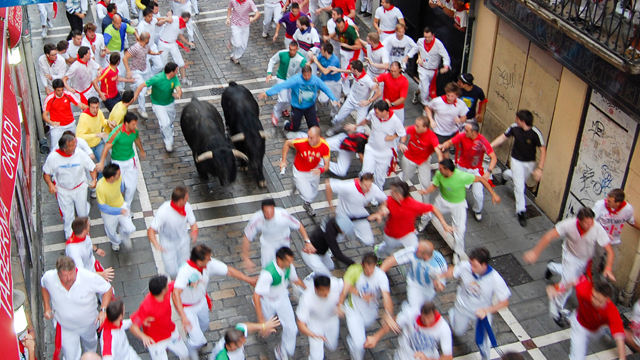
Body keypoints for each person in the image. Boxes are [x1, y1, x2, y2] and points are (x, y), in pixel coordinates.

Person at [523, 208, 615, 326]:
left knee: (573, 279)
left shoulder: (597, 228)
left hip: (585, 259)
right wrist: (535, 252)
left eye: (591, 221)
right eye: (587, 222)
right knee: (567, 285)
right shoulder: (568, 224)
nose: (590, 225)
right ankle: (555, 311)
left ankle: (552, 267)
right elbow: (549, 236)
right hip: (570, 256)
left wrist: (608, 268)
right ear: (579, 221)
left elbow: (610, 251)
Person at [173, 244, 257, 360]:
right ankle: (191, 351)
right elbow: (175, 294)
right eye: (207, 258)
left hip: (201, 302)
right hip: (187, 308)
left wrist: (249, 280)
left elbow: (229, 271)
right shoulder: (185, 271)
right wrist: (183, 316)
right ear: (199, 261)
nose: (210, 260)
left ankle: (197, 337)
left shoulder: (209, 264)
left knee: (205, 325)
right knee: (196, 339)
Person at [420, 159, 500, 262]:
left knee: (460, 230)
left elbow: (481, 179)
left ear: (447, 170)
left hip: (458, 205)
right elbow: (434, 185)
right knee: (428, 212)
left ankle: (457, 253)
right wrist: (426, 191)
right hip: (442, 200)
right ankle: (422, 224)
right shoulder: (440, 174)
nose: (438, 170)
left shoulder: (462, 176)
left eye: (440, 168)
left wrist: (493, 194)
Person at [442, 247, 511, 360]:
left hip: (482, 312)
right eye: (470, 263)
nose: (471, 267)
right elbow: (453, 272)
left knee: (484, 341)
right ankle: (452, 314)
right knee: (458, 332)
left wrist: (487, 311)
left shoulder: (495, 278)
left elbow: (504, 302)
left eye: (474, 265)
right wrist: (440, 276)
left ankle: (485, 357)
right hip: (462, 307)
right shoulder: (465, 266)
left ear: (484, 265)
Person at [41, 256, 113, 360]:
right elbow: (43, 285)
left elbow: (107, 289)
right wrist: (47, 307)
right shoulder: (50, 278)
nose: (69, 278)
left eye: (71, 274)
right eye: (65, 276)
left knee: (90, 345)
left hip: (88, 324)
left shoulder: (88, 277)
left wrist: (103, 310)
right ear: (58, 274)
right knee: (70, 356)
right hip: (65, 327)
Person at [490, 110, 546, 226]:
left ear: (523, 121)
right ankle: (521, 211)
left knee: (518, 180)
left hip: (529, 163)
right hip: (516, 160)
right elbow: (502, 138)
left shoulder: (535, 133)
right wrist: (489, 147)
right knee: (519, 187)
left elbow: (543, 150)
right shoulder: (514, 127)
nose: (515, 120)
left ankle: (506, 174)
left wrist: (540, 168)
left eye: (517, 119)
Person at [370, 179, 452, 257]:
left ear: (398, 194)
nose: (390, 192)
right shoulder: (390, 200)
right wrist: (382, 209)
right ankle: (378, 252)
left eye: (392, 191)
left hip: (408, 234)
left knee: (415, 252)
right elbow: (384, 203)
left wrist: (444, 224)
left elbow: (433, 208)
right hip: (391, 235)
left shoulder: (413, 205)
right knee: (386, 250)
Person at [253, 246, 307, 360]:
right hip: (267, 301)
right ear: (279, 259)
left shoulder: (289, 267)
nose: (291, 263)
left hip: (282, 299)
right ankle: (260, 327)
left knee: (292, 328)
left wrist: (307, 288)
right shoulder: (267, 274)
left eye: (291, 260)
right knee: (264, 330)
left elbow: (295, 279)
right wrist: (261, 319)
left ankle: (282, 350)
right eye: (288, 260)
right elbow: (256, 296)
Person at [338, 253, 395, 360]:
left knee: (359, 334)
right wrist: (340, 304)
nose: (369, 272)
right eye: (367, 269)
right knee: (359, 345)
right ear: (362, 265)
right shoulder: (354, 270)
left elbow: (386, 297)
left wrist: (388, 314)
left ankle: (353, 339)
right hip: (353, 310)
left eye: (372, 269)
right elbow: (345, 288)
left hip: (370, 312)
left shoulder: (380, 275)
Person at [439, 121, 497, 221]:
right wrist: (445, 145)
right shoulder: (462, 136)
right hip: (462, 168)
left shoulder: (483, 142)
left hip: (476, 170)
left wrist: (488, 172)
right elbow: (451, 141)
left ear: (474, 133)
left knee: (478, 194)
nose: (464, 132)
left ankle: (477, 210)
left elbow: (494, 158)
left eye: (467, 130)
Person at [43, 133, 97, 239]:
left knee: (82, 213)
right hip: (63, 190)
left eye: (74, 145)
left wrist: (94, 180)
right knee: (68, 216)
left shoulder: (80, 154)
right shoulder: (53, 157)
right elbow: (46, 173)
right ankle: (69, 236)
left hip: (80, 188)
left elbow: (92, 168)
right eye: (72, 146)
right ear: (64, 148)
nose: (74, 147)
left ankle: (85, 232)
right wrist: (50, 184)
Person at [347, 100, 406, 191]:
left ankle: (376, 194)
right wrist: (355, 126)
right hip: (371, 149)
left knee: (380, 177)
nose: (375, 114)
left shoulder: (395, 121)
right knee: (366, 172)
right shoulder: (373, 113)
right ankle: (364, 191)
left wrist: (395, 138)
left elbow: (403, 134)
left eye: (377, 112)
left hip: (385, 153)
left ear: (385, 112)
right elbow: (366, 120)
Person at [259, 66, 339, 133]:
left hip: (310, 107)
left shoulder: (316, 80)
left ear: (311, 73)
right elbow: (282, 86)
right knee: (294, 128)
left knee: (314, 127)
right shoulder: (296, 80)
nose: (307, 77)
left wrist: (333, 99)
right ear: (302, 74)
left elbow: (325, 88)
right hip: (297, 108)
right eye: (305, 75)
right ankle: (287, 124)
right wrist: (267, 92)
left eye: (309, 75)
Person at [364, 302, 453, 360]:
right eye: (424, 319)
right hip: (401, 356)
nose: (427, 323)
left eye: (429, 319)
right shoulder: (412, 313)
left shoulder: (444, 328)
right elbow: (393, 323)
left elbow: (448, 357)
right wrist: (376, 337)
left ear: (434, 314)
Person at [129, 275, 190, 360]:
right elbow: (133, 327)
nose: (167, 285)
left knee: (185, 354)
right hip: (155, 341)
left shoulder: (165, 292)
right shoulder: (146, 307)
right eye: (166, 285)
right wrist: (144, 337)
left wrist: (190, 281)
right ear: (162, 290)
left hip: (170, 332)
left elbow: (177, 283)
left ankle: (167, 349)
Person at [566, 276, 626, 360]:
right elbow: (576, 279)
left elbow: (619, 336)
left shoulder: (612, 312)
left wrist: (622, 358)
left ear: (607, 300)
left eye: (599, 301)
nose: (594, 301)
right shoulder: (584, 290)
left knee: (599, 332)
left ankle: (570, 317)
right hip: (580, 325)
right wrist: (558, 288)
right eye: (593, 296)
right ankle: (572, 318)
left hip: (596, 329)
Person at [380, 240, 448, 312]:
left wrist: (438, 287)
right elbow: (391, 260)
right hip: (414, 283)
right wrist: (378, 275)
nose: (415, 251)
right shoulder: (413, 251)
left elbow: (441, 286)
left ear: (425, 256)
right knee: (414, 310)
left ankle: (406, 306)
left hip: (429, 290)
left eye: (418, 251)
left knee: (422, 308)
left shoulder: (440, 265)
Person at [398, 116, 443, 227]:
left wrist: (441, 164)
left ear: (425, 127)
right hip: (409, 158)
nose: (415, 127)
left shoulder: (432, 137)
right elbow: (404, 130)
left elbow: (438, 151)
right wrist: (403, 142)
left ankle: (426, 214)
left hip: (423, 161)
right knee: (405, 178)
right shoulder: (414, 128)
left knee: (426, 186)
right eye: (415, 124)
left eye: (418, 126)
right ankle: (401, 186)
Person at [242, 198, 309, 270]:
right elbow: (247, 237)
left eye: (272, 212)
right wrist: (246, 258)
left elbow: (299, 225)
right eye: (267, 212)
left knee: (286, 267)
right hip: (268, 245)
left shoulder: (283, 215)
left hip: (283, 243)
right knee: (267, 269)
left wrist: (307, 241)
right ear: (262, 211)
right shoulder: (256, 219)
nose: (270, 215)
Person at [147, 186, 198, 278]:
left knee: (184, 266)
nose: (188, 200)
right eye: (186, 198)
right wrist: (156, 244)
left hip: (183, 241)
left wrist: (194, 231)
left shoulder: (187, 207)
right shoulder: (164, 211)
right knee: (171, 271)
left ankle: (181, 284)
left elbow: (193, 223)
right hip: (167, 244)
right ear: (180, 201)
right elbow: (151, 230)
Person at [97, 113, 146, 209]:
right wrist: (102, 161)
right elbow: (107, 146)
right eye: (133, 124)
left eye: (136, 124)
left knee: (131, 187)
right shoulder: (117, 133)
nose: (135, 126)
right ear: (126, 123)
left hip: (131, 160)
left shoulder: (134, 131)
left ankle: (127, 208)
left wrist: (141, 150)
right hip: (118, 162)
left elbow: (137, 139)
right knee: (118, 187)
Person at [279, 126, 330, 215]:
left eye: (311, 138)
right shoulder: (301, 142)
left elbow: (327, 166)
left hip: (314, 171)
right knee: (308, 196)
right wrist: (283, 160)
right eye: (308, 136)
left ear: (318, 138)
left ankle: (307, 204)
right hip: (300, 172)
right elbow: (287, 143)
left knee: (314, 193)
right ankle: (299, 185)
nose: (308, 139)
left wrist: (320, 170)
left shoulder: (325, 146)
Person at [325, 173, 387, 244]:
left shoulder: (374, 188)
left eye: (369, 186)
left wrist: (380, 211)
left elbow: (384, 200)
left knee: (368, 241)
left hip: (360, 216)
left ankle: (353, 229)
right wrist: (330, 206)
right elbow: (328, 183)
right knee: (334, 239)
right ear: (360, 183)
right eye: (365, 185)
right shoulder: (348, 186)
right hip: (344, 216)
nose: (368, 188)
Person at [133, 62, 183, 152]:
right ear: (171, 72)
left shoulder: (174, 77)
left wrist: (178, 94)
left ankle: (168, 128)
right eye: (176, 70)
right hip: (158, 104)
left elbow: (178, 88)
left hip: (169, 103)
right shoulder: (157, 78)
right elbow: (142, 85)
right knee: (164, 123)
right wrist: (135, 97)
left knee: (170, 121)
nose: (177, 71)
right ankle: (168, 142)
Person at [296, 275, 345, 360]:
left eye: (328, 289)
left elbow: (347, 285)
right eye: (322, 290)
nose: (326, 293)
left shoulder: (335, 283)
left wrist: (339, 304)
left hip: (331, 320)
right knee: (316, 356)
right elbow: (300, 323)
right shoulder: (307, 298)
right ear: (315, 289)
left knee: (332, 345)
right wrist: (314, 335)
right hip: (315, 324)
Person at [326, 60, 378, 136]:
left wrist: (369, 101)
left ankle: (359, 141)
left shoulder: (367, 80)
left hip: (362, 105)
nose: (350, 70)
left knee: (359, 128)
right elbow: (349, 71)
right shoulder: (356, 73)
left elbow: (378, 92)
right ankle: (336, 128)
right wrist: (338, 70)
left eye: (351, 69)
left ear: (356, 70)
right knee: (337, 118)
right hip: (351, 100)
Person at [264, 41, 307, 126]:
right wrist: (269, 73)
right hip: (281, 78)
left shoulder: (301, 59)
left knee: (290, 99)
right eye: (290, 49)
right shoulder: (282, 53)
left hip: (292, 80)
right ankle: (275, 113)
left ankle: (283, 109)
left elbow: (306, 69)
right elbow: (272, 60)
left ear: (297, 49)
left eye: (293, 50)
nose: (291, 52)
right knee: (283, 98)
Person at [97, 163, 137, 252]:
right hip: (109, 213)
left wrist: (121, 206)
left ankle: (123, 232)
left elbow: (121, 189)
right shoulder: (100, 187)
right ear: (111, 177)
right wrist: (119, 211)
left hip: (121, 206)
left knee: (131, 228)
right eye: (118, 173)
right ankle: (115, 242)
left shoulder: (119, 178)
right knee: (111, 233)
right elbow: (102, 207)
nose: (120, 174)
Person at [593, 189, 640, 263]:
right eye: (607, 199)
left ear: (618, 203)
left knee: (611, 266)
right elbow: (591, 222)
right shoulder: (600, 205)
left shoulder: (628, 209)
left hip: (614, 241)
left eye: (610, 201)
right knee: (594, 265)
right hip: (599, 240)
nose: (606, 202)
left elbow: (631, 221)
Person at [123, 32, 161, 118]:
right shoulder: (135, 48)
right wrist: (128, 70)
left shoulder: (145, 46)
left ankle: (135, 87)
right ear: (146, 39)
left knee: (146, 86)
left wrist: (156, 53)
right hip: (136, 71)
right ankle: (141, 109)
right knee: (142, 90)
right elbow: (125, 57)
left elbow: (148, 51)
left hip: (145, 70)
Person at [43, 80, 89, 150]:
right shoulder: (49, 99)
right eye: (58, 90)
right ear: (54, 89)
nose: (61, 92)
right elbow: (44, 115)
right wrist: (51, 123)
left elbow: (80, 105)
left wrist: (91, 109)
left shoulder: (68, 95)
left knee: (77, 144)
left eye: (62, 90)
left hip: (70, 124)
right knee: (55, 148)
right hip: (57, 127)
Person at [427, 82, 468, 157]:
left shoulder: (461, 104)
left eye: (452, 96)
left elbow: (464, 117)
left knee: (443, 153)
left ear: (457, 95)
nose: (449, 98)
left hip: (453, 132)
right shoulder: (437, 101)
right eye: (448, 95)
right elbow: (428, 108)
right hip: (440, 132)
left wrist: (460, 120)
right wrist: (431, 120)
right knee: (444, 155)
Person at [412, 27, 450, 107]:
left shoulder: (438, 44)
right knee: (425, 88)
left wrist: (446, 66)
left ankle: (417, 92)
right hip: (422, 68)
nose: (427, 39)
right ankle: (425, 106)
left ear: (433, 35)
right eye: (425, 37)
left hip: (433, 70)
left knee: (423, 86)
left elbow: (445, 56)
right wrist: (411, 57)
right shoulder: (420, 41)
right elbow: (417, 49)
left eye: (429, 37)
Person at [210, 319, 281, 360]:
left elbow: (244, 326)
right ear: (232, 345)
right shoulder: (222, 357)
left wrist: (263, 326)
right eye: (241, 341)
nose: (244, 341)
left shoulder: (235, 334)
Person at [104, 14, 139, 90]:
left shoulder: (123, 26)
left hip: (120, 51)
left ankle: (121, 87)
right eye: (117, 23)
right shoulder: (108, 30)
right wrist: (106, 50)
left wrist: (136, 35)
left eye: (120, 22)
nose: (119, 25)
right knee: (116, 71)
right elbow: (104, 43)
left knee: (122, 70)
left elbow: (133, 30)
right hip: (112, 53)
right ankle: (116, 87)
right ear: (113, 22)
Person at [312, 43, 342, 117]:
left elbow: (325, 71)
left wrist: (316, 62)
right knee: (322, 99)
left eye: (322, 50)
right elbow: (313, 60)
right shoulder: (321, 56)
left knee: (336, 101)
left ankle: (334, 114)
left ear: (326, 52)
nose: (320, 51)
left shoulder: (335, 60)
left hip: (336, 82)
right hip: (325, 81)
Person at [226, 0, 260, 64]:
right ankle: (232, 39)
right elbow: (229, 8)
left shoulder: (249, 2)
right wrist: (228, 18)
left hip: (245, 25)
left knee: (243, 46)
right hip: (235, 24)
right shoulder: (233, 1)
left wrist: (253, 18)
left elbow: (257, 13)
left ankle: (234, 56)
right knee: (238, 44)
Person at [76, 97, 108, 165]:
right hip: (88, 146)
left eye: (97, 107)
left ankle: (101, 176)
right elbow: (79, 136)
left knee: (103, 165)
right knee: (89, 168)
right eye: (93, 107)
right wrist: (96, 135)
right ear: (88, 107)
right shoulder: (84, 117)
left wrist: (108, 122)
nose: (95, 110)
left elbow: (102, 121)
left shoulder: (99, 111)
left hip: (98, 143)